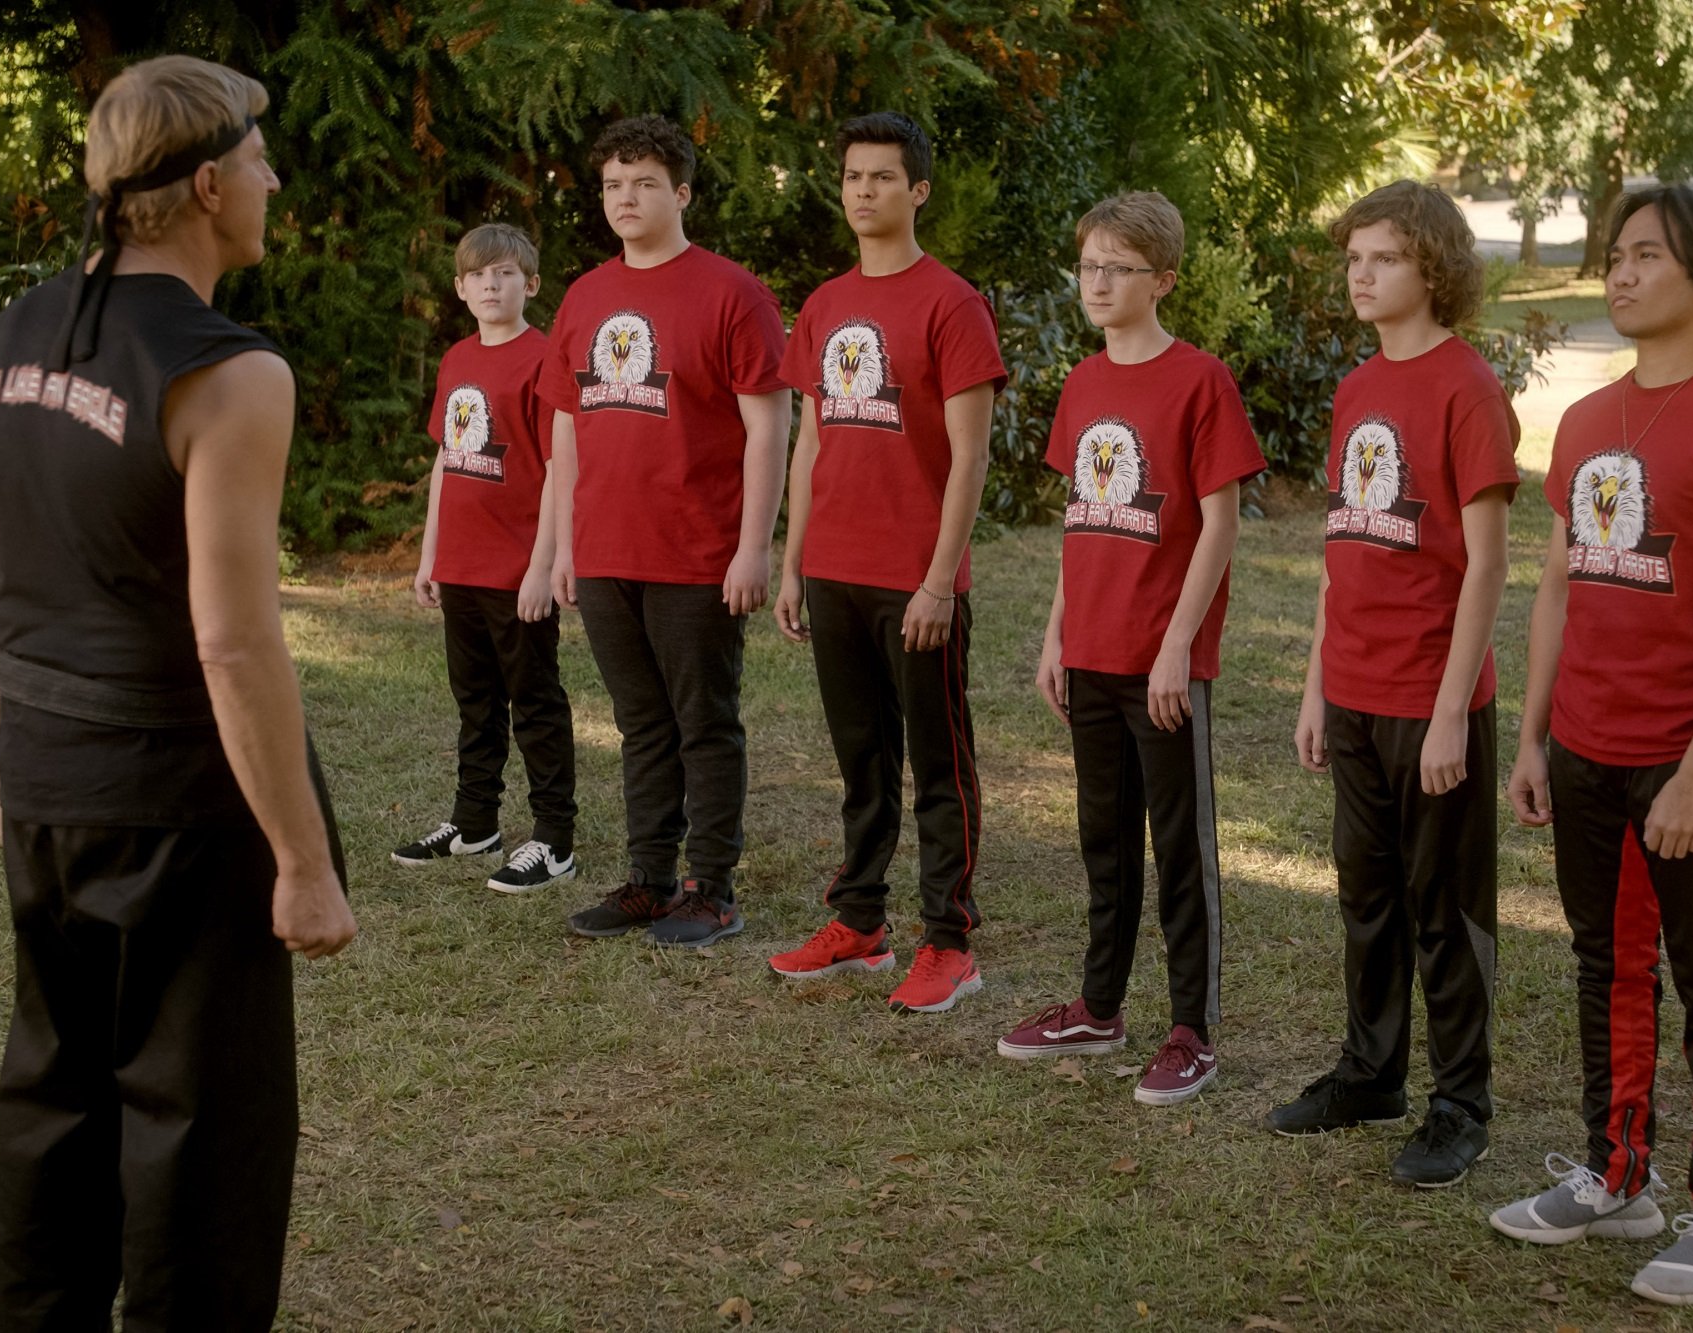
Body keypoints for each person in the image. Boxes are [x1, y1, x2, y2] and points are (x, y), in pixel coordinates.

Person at [0, 55, 356, 1329]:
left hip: (48, 783)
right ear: (201, 185)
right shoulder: (230, 373)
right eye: (257, 157)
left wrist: (14, 764)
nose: (272, 178)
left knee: (56, 1101)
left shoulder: (4, 338)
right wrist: (300, 856)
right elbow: (232, 642)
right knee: (205, 1135)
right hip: (183, 810)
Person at [1491, 186, 1693, 1307]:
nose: (1617, 274)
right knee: (1602, 963)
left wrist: (1692, 770)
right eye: (1611, 256)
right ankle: (1614, 1171)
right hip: (1581, 745)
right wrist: (1530, 738)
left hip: (1692, 758)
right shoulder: (1582, 424)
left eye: (1643, 257)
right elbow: (1557, 588)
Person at [1263, 180, 1518, 1187]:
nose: (1358, 274)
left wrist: (1451, 707)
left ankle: (1461, 1103)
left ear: (1431, 267)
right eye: (1352, 257)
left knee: (1441, 908)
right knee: (1363, 894)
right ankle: (1370, 1074)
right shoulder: (1355, 387)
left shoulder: (1464, 388)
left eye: (1380, 257)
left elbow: (1488, 563)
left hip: (1434, 698)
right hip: (1356, 690)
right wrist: (1315, 684)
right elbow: (1343, 548)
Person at [995, 191, 1264, 1105]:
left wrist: (1178, 646)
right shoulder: (1083, 383)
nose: (1098, 283)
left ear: (1164, 280)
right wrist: (1056, 633)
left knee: (1178, 848)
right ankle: (1099, 1006)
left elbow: (1220, 523)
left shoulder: (1199, 381)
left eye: (1118, 268)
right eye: (1089, 267)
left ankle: (1192, 1027)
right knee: (1103, 841)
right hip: (1092, 652)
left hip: (1162, 664)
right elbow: (1084, 517)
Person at [766, 111, 1007, 1013]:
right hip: (833, 569)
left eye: (881, 177)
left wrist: (940, 579)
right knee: (861, 760)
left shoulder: (951, 303)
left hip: (916, 581)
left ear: (919, 191)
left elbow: (971, 454)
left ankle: (949, 939)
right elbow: (811, 442)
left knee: (940, 765)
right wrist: (793, 565)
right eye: (852, 176)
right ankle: (859, 921)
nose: (863, 190)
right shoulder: (825, 306)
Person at [538, 116, 790, 946]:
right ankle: (649, 878)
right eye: (613, 183)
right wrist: (566, 546)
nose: (626, 198)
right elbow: (567, 431)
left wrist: (753, 546)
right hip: (608, 548)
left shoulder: (730, 293)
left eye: (644, 183)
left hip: (697, 549)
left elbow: (769, 426)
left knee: (703, 721)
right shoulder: (583, 296)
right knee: (639, 722)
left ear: (681, 193)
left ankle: (709, 886)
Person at [392, 223, 580, 894]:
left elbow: (562, 467)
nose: (491, 285)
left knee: (534, 701)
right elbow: (448, 457)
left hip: (516, 566)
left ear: (529, 284)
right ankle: (475, 822)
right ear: (461, 288)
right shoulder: (456, 359)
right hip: (463, 565)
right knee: (475, 700)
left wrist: (542, 563)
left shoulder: (543, 358)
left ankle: (554, 838)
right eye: (478, 275)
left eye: (504, 274)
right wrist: (430, 552)